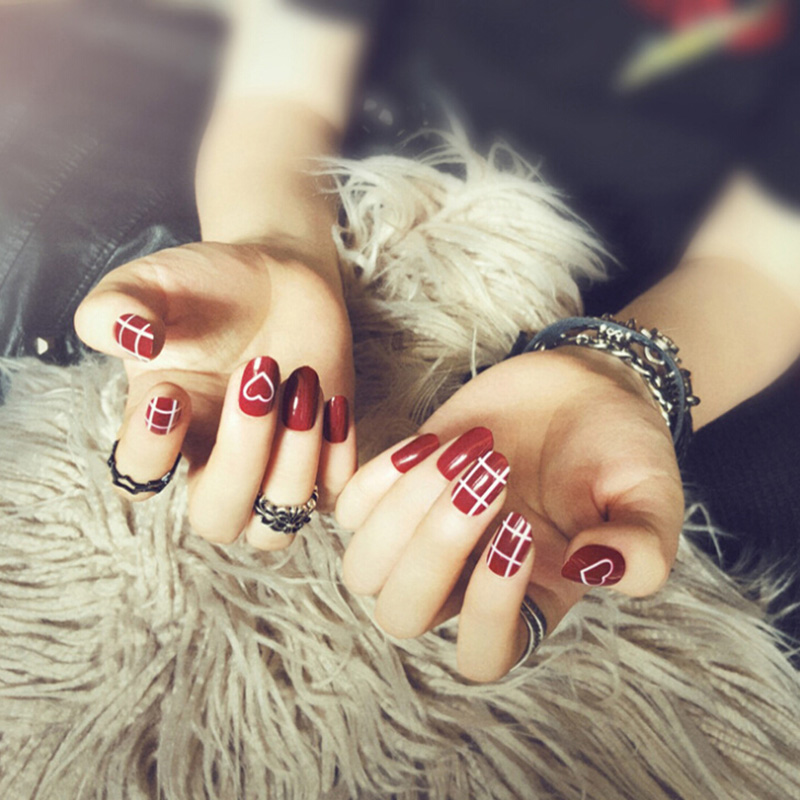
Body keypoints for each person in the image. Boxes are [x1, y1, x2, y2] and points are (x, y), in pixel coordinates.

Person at [72, 0, 800, 679]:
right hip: (370, 190)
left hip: (688, 312)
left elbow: (767, 269)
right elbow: (285, 90)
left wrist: (621, 374)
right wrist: (276, 243)